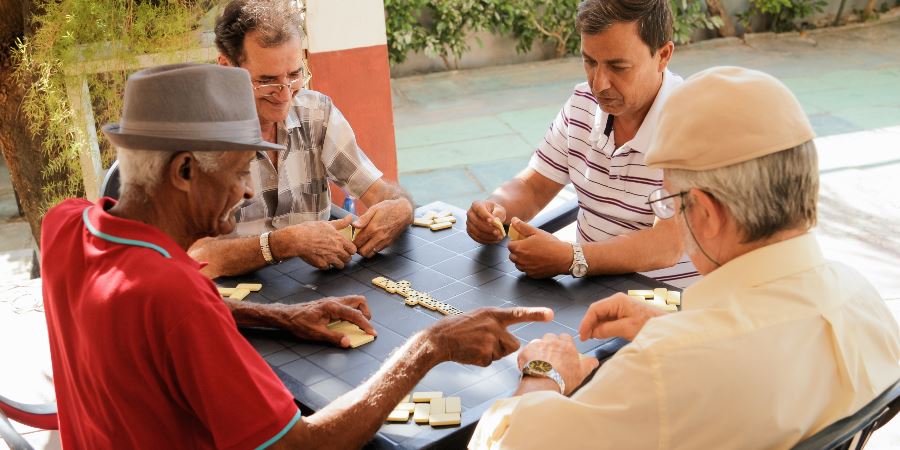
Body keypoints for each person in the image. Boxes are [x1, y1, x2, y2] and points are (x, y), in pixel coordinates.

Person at [41, 63, 552, 449]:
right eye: (241, 171)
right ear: (184, 171)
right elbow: (299, 445)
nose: (246, 192)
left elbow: (150, 329)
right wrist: (430, 346)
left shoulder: (65, 224)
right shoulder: (175, 295)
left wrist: (277, 315)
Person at [467, 66, 900, 449]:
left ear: (707, 213)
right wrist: (674, 329)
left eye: (672, 199)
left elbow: (508, 443)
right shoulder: (864, 303)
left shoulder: (665, 368)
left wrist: (544, 373)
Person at [466, 0, 700, 288]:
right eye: (590, 62)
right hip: (591, 292)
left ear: (663, 55)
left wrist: (573, 258)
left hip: (670, 306)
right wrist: (496, 210)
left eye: (618, 66)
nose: (599, 83)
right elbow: (534, 186)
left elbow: (667, 244)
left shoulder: (692, 121)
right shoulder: (583, 104)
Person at [189, 0, 414, 279]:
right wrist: (284, 243)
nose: (285, 96)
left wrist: (400, 207)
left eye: (295, 75)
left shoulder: (315, 113)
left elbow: (380, 192)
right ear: (226, 67)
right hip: (231, 303)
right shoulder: (197, 140)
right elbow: (194, 255)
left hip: (311, 290)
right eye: (267, 81)